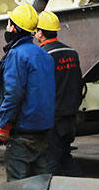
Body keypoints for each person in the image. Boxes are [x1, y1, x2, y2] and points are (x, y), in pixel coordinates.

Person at [0, 3, 55, 181]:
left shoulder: (17, 55)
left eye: (8, 23)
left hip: (22, 133)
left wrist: (3, 127)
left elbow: (13, 94)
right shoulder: (45, 55)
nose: (6, 27)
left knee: (17, 188)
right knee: (41, 184)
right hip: (42, 130)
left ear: (14, 28)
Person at [34, 11, 83, 176]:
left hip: (52, 117)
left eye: (36, 31)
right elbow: (78, 83)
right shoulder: (72, 52)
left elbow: (39, 89)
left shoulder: (43, 55)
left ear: (40, 33)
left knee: (52, 162)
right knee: (64, 155)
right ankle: (80, 186)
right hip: (70, 114)